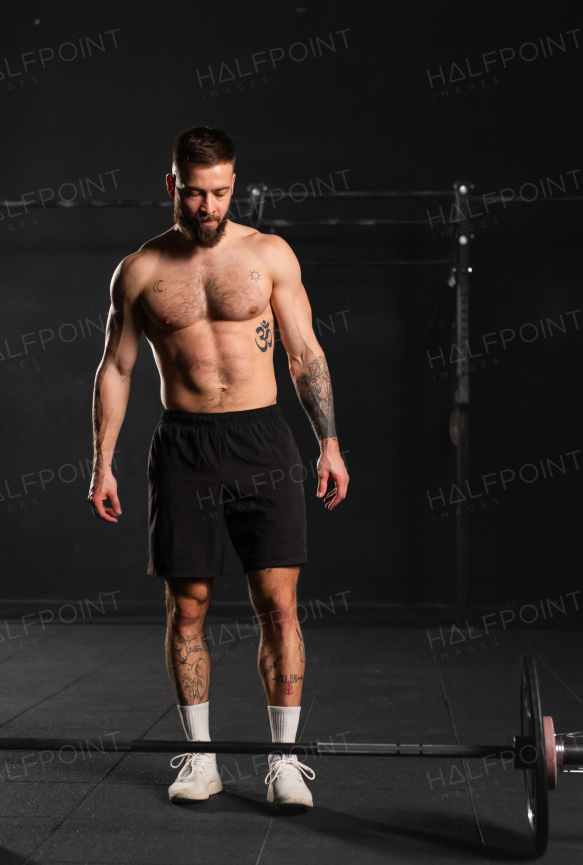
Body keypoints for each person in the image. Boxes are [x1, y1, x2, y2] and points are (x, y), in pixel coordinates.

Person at [87, 127, 349, 809]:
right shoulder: (140, 270)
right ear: (172, 184)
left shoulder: (268, 255)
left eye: (221, 192)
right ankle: (200, 759)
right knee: (187, 611)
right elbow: (115, 367)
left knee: (280, 606)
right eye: (196, 192)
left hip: (263, 440)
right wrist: (101, 463)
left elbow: (305, 354)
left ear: (236, 186)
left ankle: (283, 763)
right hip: (185, 445)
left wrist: (330, 442)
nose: (208, 205)